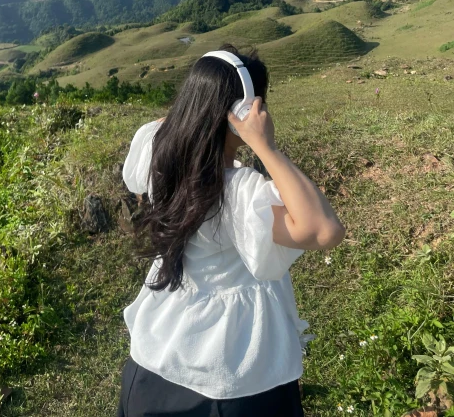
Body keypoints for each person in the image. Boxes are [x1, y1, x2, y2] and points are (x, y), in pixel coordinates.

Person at [117, 45, 345, 417]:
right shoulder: (237, 192)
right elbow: (324, 231)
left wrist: (200, 106)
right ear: (241, 113)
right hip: (232, 378)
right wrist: (265, 146)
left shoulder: (158, 149)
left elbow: (171, 125)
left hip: (154, 360)